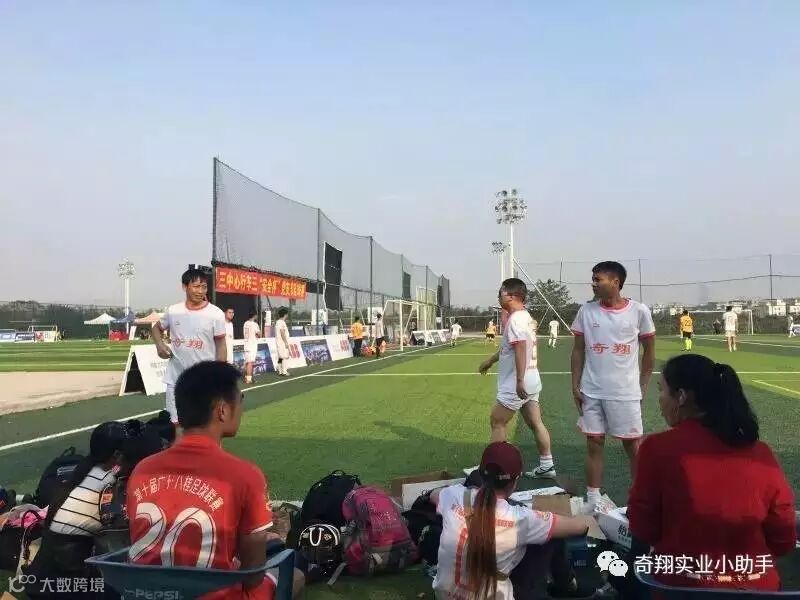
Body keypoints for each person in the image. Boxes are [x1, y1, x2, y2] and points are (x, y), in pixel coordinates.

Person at [127, 361, 305, 599]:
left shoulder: (142, 470)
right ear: (222, 410)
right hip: (214, 595)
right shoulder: (245, 475)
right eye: (240, 400)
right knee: (295, 575)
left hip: (145, 593)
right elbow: (253, 576)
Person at [627, 354, 796, 592]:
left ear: (681, 396)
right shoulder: (760, 452)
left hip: (682, 588)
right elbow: (783, 537)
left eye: (661, 390)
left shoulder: (656, 448)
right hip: (758, 588)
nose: (660, 400)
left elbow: (643, 528)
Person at [430, 441, 593, 600]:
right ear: (515, 481)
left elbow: (433, 495)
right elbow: (580, 526)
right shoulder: (522, 518)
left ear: (480, 473)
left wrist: (469, 494)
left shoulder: (454, 495)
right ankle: (567, 586)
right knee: (551, 537)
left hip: (445, 595)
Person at [570, 261, 656, 508]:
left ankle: (641, 500)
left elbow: (649, 352)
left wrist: (642, 386)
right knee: (594, 443)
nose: (593, 284)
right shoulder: (586, 311)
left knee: (633, 445)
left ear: (615, 282)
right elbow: (578, 350)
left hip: (625, 392)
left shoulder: (639, 311)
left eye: (598, 279)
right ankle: (593, 500)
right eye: (593, 279)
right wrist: (575, 384)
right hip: (592, 391)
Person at [25, 422, 128, 598]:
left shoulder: (83, 472)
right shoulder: (106, 487)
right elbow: (124, 542)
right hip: (64, 587)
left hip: (42, 578)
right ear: (117, 456)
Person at [479, 278, 556, 479]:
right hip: (532, 379)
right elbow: (509, 349)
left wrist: (519, 381)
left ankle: (496, 472)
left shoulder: (515, 320)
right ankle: (547, 465)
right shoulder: (525, 317)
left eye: (500, 293)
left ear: (511, 296)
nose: (498, 297)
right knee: (535, 422)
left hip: (517, 383)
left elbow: (521, 347)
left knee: (497, 421)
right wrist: (490, 361)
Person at [151, 267, 227, 425]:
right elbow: (156, 328)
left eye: (204, 287)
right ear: (184, 287)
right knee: (176, 425)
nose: (201, 291)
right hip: (176, 379)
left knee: (204, 426)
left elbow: (221, 345)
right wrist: (159, 345)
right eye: (196, 286)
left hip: (204, 382)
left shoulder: (215, 314)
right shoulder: (173, 311)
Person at [243, 310, 261, 384]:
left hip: (246, 344)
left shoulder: (245, 323)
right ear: (254, 316)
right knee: (250, 362)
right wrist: (258, 334)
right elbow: (259, 334)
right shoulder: (255, 324)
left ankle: (247, 377)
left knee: (247, 362)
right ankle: (249, 379)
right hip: (252, 345)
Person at [274, 307, 291, 377]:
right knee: (284, 356)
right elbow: (282, 332)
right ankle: (284, 371)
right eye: (287, 314)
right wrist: (286, 342)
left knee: (280, 357)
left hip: (279, 342)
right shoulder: (281, 322)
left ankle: (280, 371)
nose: (287, 315)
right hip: (282, 342)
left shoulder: (278, 322)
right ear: (285, 314)